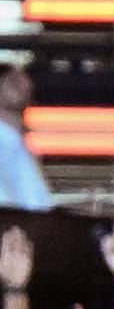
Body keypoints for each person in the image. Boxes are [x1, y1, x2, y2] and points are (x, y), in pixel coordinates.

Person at [0, 65, 52, 210]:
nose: (22, 85)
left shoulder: (23, 149)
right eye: (13, 81)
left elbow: (37, 206)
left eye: (24, 81)